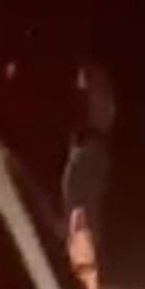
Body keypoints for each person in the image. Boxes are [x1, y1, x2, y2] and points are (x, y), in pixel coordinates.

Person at [62, 60, 117, 251]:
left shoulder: (95, 97)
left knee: (79, 204)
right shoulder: (104, 98)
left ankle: (84, 255)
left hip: (90, 149)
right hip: (94, 149)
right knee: (88, 208)